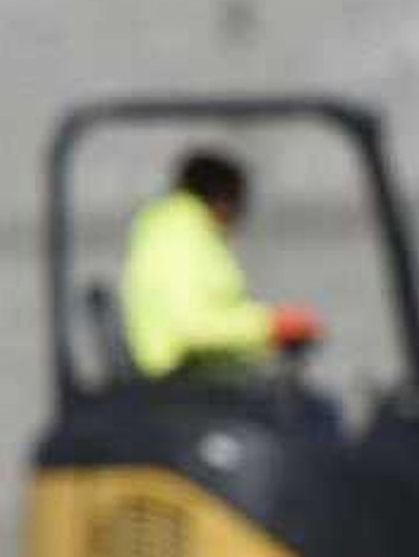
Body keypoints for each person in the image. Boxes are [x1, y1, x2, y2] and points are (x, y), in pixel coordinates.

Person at [118, 146, 321, 382]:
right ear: (224, 199)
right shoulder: (179, 237)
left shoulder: (180, 232)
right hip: (184, 387)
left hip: (202, 379)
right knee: (315, 412)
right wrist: (271, 325)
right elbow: (190, 325)